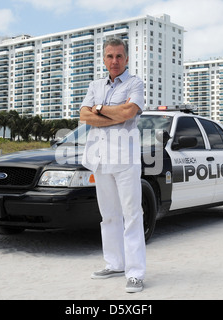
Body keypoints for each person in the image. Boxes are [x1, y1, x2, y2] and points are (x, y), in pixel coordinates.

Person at [79, 38, 146, 293]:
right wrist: (110, 113)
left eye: (119, 56)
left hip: (124, 159)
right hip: (99, 158)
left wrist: (99, 112)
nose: (114, 61)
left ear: (126, 59)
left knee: (132, 215)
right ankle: (114, 263)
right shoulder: (95, 85)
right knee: (108, 215)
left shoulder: (135, 83)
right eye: (110, 56)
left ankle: (136, 273)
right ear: (104, 59)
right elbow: (84, 116)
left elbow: (129, 113)